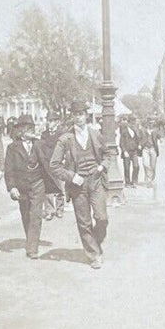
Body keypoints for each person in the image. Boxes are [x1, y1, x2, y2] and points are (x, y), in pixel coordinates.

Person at [49, 105, 108, 268]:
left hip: (96, 182)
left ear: (86, 116)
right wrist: (72, 176)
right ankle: (94, 255)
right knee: (84, 222)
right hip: (78, 186)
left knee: (102, 218)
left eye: (81, 114)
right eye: (75, 114)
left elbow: (107, 154)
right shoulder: (65, 139)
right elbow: (54, 165)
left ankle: (94, 242)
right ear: (72, 116)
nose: (78, 117)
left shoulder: (95, 134)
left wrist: (102, 166)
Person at [4, 115, 54, 260]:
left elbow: (50, 156)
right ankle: (31, 239)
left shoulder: (39, 144)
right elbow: (9, 169)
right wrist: (12, 187)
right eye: (28, 128)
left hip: (38, 183)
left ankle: (32, 249)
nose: (31, 130)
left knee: (36, 215)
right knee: (26, 214)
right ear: (21, 131)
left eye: (32, 127)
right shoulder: (12, 148)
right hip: (22, 186)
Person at [118, 117, 143, 187]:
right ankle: (127, 182)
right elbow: (121, 142)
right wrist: (124, 151)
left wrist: (139, 145)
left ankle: (134, 181)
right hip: (127, 152)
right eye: (132, 123)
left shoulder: (136, 131)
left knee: (136, 166)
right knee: (126, 167)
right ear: (128, 123)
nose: (133, 124)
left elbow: (139, 140)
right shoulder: (124, 131)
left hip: (134, 151)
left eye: (134, 123)